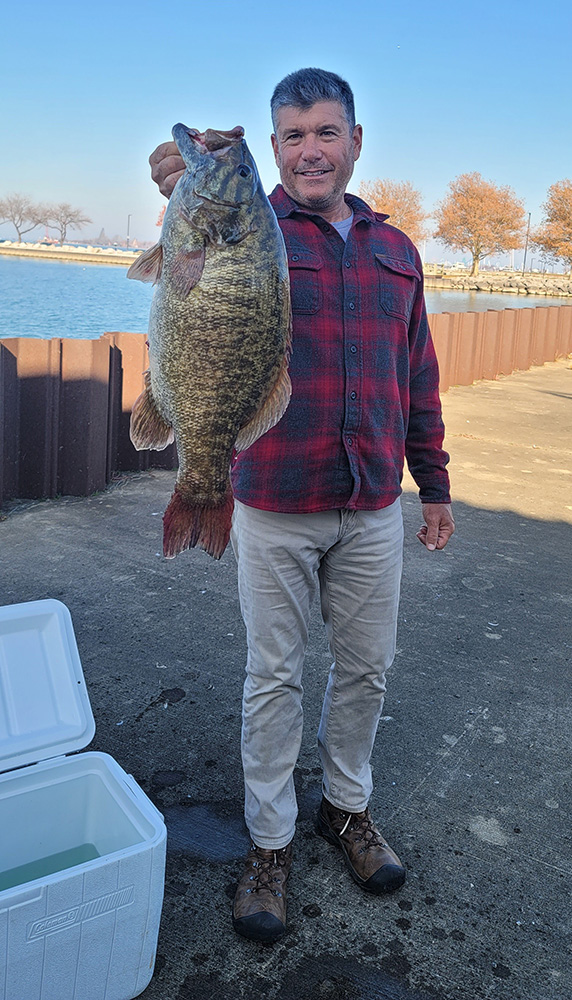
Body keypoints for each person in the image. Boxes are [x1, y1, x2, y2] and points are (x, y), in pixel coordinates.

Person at [149, 67, 454, 945]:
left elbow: (418, 377)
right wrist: (177, 181)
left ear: (355, 141)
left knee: (367, 669)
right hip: (274, 498)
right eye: (292, 135)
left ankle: (346, 810)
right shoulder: (249, 227)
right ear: (274, 149)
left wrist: (432, 483)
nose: (311, 149)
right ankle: (271, 841)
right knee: (274, 677)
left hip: (370, 503)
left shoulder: (399, 251)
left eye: (326, 132)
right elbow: (182, 241)